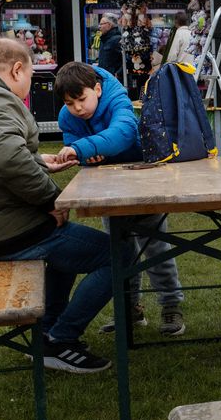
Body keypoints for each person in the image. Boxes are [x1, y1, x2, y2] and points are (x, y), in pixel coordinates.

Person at [0, 38, 113, 373]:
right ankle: (60, 339)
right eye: (30, 75)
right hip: (8, 231)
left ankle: (47, 330)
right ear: (16, 69)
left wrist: (35, 159)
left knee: (69, 250)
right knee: (118, 256)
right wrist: (50, 199)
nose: (29, 85)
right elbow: (5, 159)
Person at [54, 61, 187, 337]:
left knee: (155, 245)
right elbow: (78, 147)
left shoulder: (117, 98)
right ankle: (129, 310)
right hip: (106, 189)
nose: (78, 108)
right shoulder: (67, 117)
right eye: (70, 103)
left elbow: (124, 133)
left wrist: (84, 148)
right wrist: (87, 155)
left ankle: (171, 305)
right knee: (120, 248)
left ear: (98, 89)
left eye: (81, 99)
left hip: (143, 181)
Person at [96, 12, 123, 77]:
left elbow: (125, 59)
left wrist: (118, 73)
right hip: (105, 76)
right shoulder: (104, 39)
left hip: (113, 79)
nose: (99, 27)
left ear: (109, 25)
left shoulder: (117, 39)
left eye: (101, 24)